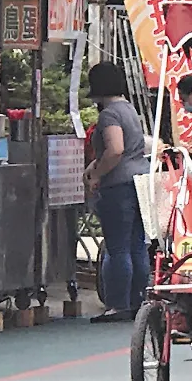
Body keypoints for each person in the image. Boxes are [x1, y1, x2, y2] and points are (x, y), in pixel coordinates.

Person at [83, 62, 150, 323]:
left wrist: (98, 174)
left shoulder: (109, 114)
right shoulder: (129, 109)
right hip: (140, 181)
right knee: (137, 244)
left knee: (117, 246)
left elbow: (116, 149)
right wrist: (95, 165)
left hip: (119, 185)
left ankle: (117, 304)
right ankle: (139, 301)